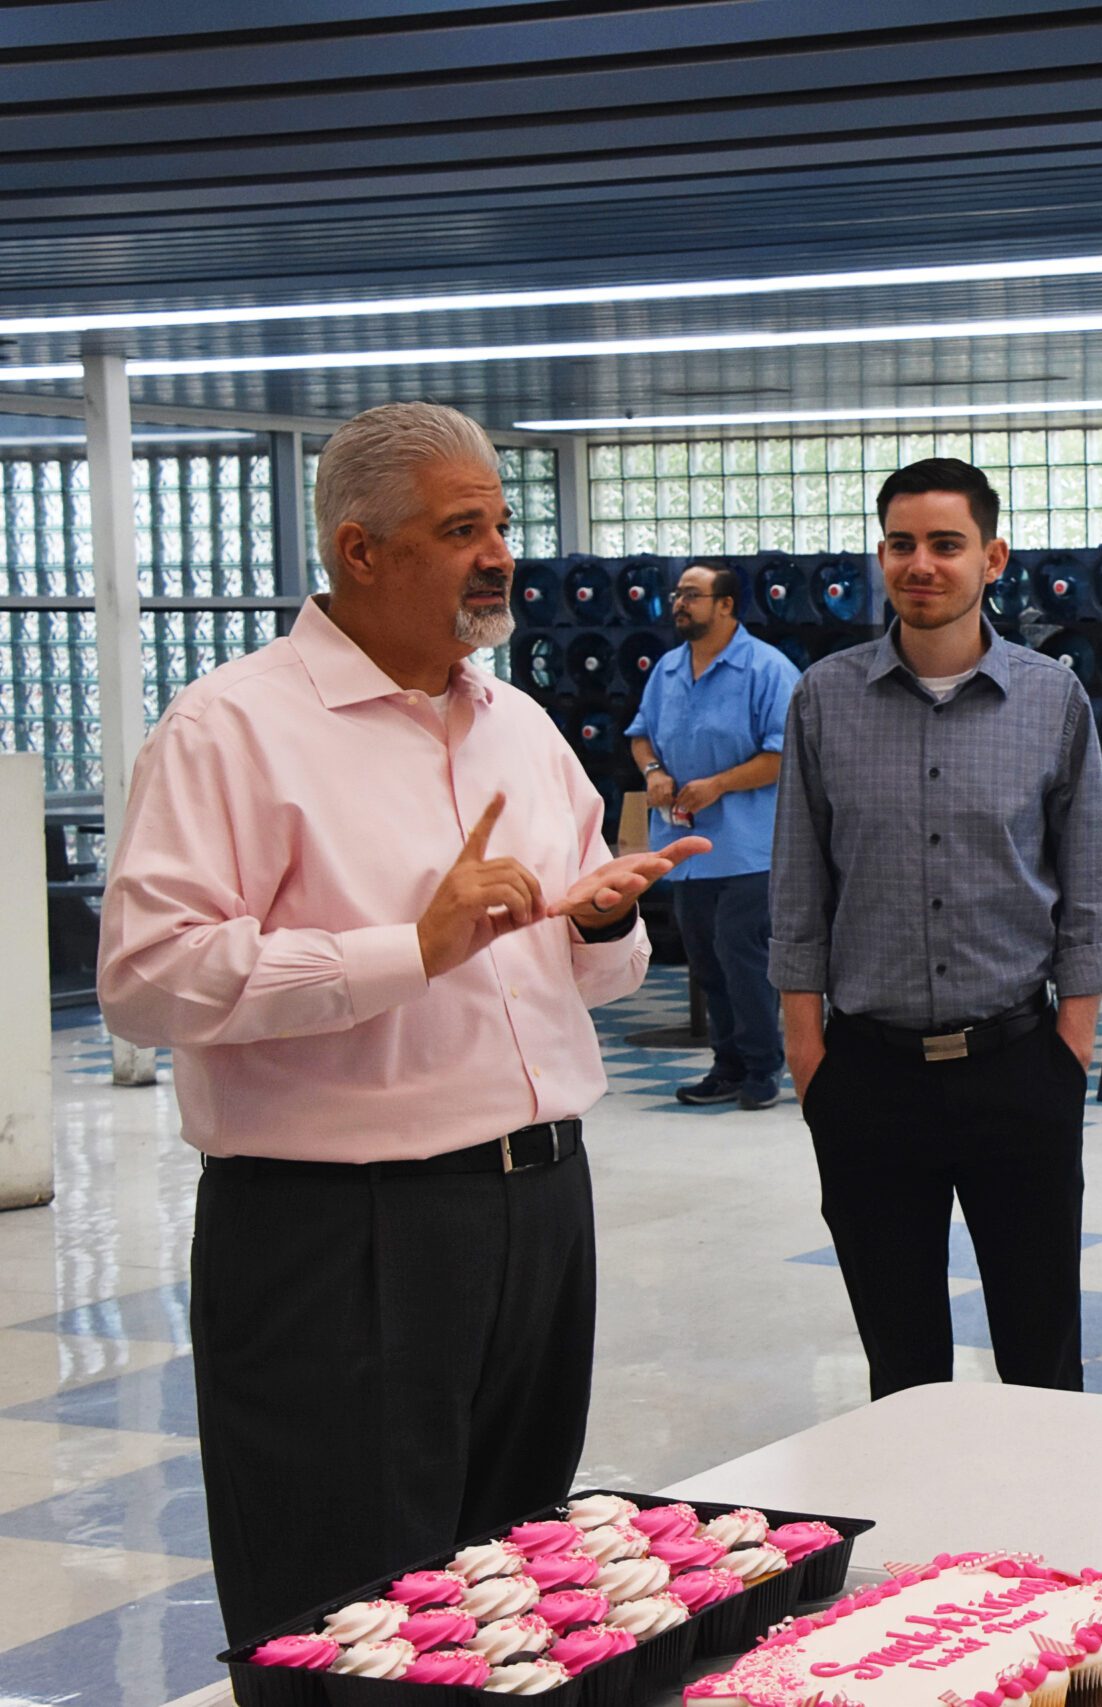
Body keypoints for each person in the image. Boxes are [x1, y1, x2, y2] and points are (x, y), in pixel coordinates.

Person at [95, 401, 710, 1644]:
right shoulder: (233, 729)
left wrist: (595, 926)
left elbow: (581, 982)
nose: (498, 554)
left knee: (510, 1585)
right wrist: (407, 951)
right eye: (460, 528)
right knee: (351, 1593)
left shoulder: (521, 729)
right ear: (358, 550)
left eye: (501, 523)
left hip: (538, 1203)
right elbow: (148, 979)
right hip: (343, 1232)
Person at [770, 457, 1102, 1400]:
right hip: (868, 1078)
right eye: (900, 543)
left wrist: (1069, 1054)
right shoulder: (824, 699)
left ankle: (1051, 1541)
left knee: (1041, 1351)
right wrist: (811, 1061)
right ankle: (925, 1538)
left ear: (992, 557)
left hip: (1018, 1067)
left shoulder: (1052, 700)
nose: (918, 563)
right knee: (901, 1361)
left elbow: (1090, 884)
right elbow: (800, 889)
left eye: (944, 543)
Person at [627, 561, 802, 1109]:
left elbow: (783, 754)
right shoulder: (669, 670)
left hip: (748, 848)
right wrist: (654, 773)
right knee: (704, 962)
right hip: (684, 852)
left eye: (693, 595)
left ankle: (761, 1067)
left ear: (726, 605)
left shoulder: (767, 670)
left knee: (741, 956)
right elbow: (640, 737)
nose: (679, 603)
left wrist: (719, 785)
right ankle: (725, 1064)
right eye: (678, 594)